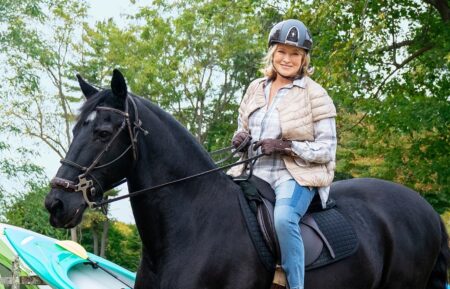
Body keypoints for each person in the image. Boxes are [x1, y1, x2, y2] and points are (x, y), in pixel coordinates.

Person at [228, 19, 337, 289]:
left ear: (304, 59)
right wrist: (240, 139)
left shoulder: (316, 95)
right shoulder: (256, 88)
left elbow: (326, 150)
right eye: (282, 52)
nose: (287, 59)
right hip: (252, 171)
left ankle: (295, 284)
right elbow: (242, 127)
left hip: (295, 175)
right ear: (272, 53)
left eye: (295, 54)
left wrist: (285, 146)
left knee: (284, 218)